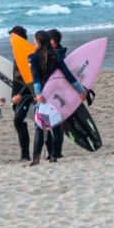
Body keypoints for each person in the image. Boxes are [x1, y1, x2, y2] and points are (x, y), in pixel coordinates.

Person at [29, 30, 86, 166]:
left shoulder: (33, 57)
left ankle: (36, 159)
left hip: (43, 94)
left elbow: (35, 77)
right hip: (57, 94)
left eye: (34, 40)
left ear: (38, 41)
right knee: (56, 125)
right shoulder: (56, 56)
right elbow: (68, 75)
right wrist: (81, 90)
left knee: (39, 127)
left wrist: (38, 94)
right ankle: (54, 156)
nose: (33, 42)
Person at [8, 25, 34, 161]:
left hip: (27, 93)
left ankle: (25, 155)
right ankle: (25, 154)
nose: (10, 44)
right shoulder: (17, 54)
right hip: (17, 96)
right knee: (21, 122)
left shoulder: (26, 55)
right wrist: (10, 96)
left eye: (11, 40)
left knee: (19, 121)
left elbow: (30, 79)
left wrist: (20, 95)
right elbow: (16, 79)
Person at [45, 28, 68, 159]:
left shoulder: (58, 55)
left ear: (53, 41)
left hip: (57, 92)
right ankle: (52, 152)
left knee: (56, 125)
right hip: (51, 91)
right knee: (49, 124)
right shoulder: (56, 53)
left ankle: (56, 153)